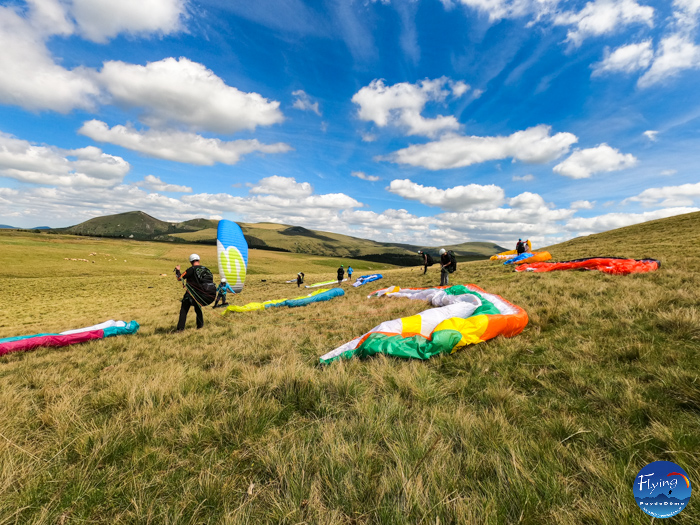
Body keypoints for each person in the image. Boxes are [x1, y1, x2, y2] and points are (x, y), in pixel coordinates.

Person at [174, 253, 216, 331]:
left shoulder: (191, 269)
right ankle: (200, 326)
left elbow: (179, 278)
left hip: (191, 294)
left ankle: (180, 329)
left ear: (190, 262)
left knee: (184, 310)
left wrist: (177, 270)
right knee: (198, 309)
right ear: (199, 260)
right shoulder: (206, 269)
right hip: (203, 294)